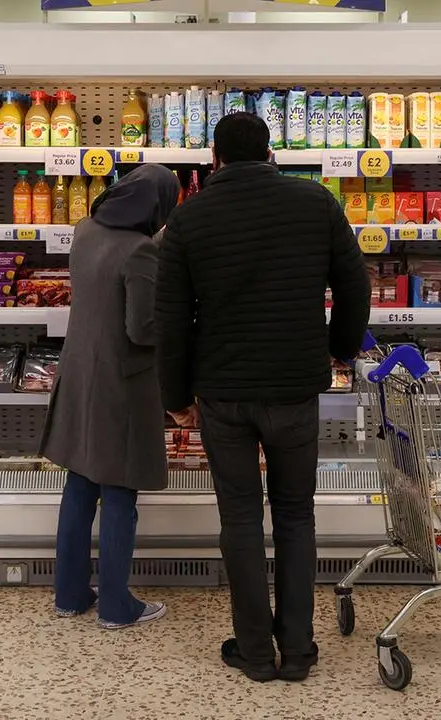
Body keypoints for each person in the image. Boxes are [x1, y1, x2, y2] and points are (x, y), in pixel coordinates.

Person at [155, 112, 371, 682]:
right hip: (295, 386)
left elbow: (170, 320)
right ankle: (297, 648)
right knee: (298, 515)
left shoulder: (189, 219)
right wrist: (340, 348)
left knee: (241, 519)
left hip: (224, 392)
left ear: (213, 161)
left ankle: (255, 652)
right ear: (271, 153)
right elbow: (355, 283)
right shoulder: (316, 203)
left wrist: (175, 395)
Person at [39, 164, 181, 630]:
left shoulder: (86, 230)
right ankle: (118, 606)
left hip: (78, 372)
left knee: (79, 485)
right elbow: (141, 329)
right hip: (120, 384)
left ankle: (70, 593)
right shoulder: (140, 251)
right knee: (120, 492)